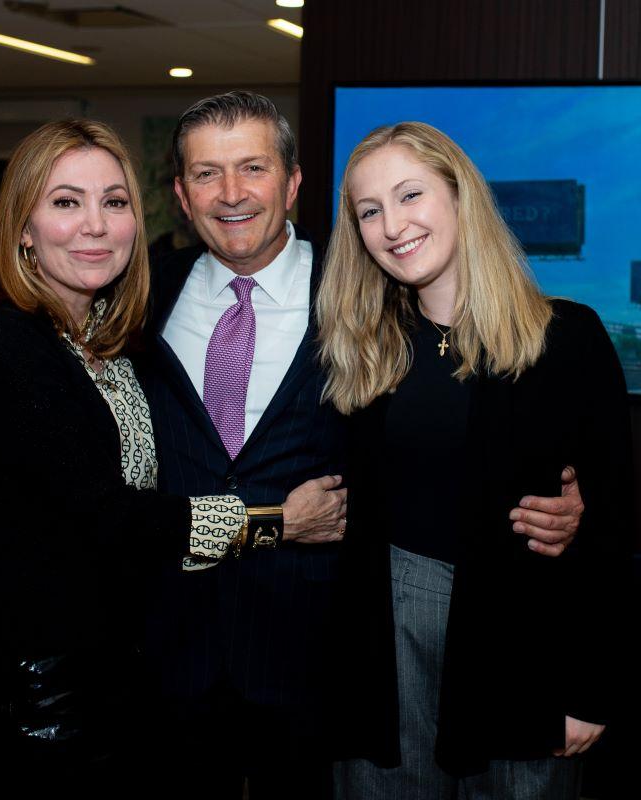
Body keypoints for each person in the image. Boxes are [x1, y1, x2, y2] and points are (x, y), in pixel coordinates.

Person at [136, 91, 587, 799]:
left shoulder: (364, 302)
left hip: (326, 660)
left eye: (252, 167)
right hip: (169, 650)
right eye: (206, 174)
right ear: (180, 196)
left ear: (291, 183)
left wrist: (567, 501)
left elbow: (469, 427)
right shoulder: (138, 296)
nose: (231, 193)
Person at [0, 118, 342, 797]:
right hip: (50, 690)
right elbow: (105, 514)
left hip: (151, 667)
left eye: (114, 202)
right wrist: (271, 520)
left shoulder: (110, 331)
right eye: (66, 202)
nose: (94, 225)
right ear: (22, 225)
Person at [318, 122, 633, 799]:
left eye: (410, 196)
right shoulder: (359, 346)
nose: (391, 225)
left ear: (461, 197)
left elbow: (614, 528)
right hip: (386, 649)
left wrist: (592, 687)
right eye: (369, 211)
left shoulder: (567, 337)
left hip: (522, 649)